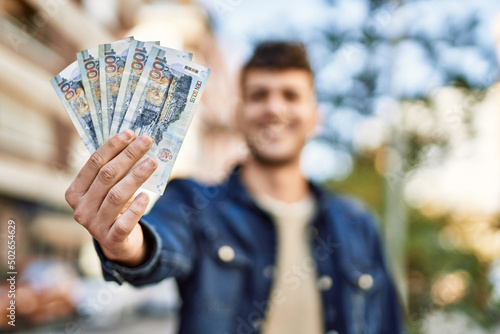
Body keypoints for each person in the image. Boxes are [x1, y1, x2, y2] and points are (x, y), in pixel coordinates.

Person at [65, 41, 404, 334]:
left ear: (315, 117)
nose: (274, 107)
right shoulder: (196, 204)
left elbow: (388, 323)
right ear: (239, 114)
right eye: (259, 95)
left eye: (290, 95)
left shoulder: (358, 224)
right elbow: (156, 243)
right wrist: (124, 241)